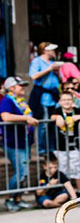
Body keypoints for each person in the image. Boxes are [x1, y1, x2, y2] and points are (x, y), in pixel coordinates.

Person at [1, 76, 38, 211]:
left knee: (24, 172)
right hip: (13, 142)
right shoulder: (7, 101)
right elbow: (5, 117)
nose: (23, 88)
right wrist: (26, 118)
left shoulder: (20, 102)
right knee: (21, 172)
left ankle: (18, 199)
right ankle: (10, 199)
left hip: (23, 141)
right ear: (11, 88)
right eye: (20, 86)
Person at [53, 90, 80, 192]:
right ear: (60, 101)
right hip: (60, 146)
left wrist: (78, 117)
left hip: (75, 145)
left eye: (69, 99)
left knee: (77, 169)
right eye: (64, 100)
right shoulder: (57, 111)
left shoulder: (77, 110)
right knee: (62, 170)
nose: (66, 102)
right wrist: (58, 117)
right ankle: (64, 192)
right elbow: (53, 117)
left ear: (72, 101)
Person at [29, 42, 62, 154]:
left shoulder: (53, 63)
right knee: (43, 125)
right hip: (42, 97)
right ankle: (42, 149)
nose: (54, 52)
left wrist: (57, 72)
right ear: (45, 51)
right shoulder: (37, 61)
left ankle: (51, 147)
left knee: (52, 124)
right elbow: (33, 76)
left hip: (53, 97)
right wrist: (49, 69)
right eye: (52, 50)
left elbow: (60, 80)